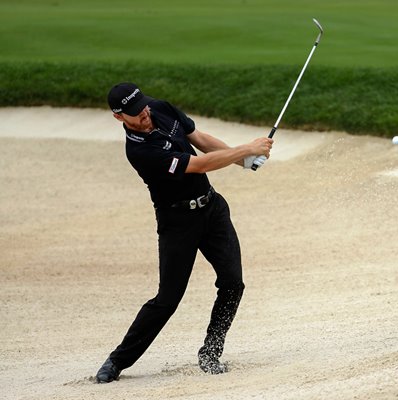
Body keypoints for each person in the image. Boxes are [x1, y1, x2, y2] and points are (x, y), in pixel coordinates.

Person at [95, 82, 273, 383]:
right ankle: (118, 360)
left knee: (233, 283)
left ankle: (211, 351)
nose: (145, 115)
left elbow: (200, 140)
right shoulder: (139, 152)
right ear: (119, 117)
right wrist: (246, 149)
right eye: (136, 114)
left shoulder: (160, 108)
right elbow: (199, 164)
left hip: (212, 209)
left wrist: (242, 160)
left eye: (144, 107)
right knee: (168, 298)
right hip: (177, 222)